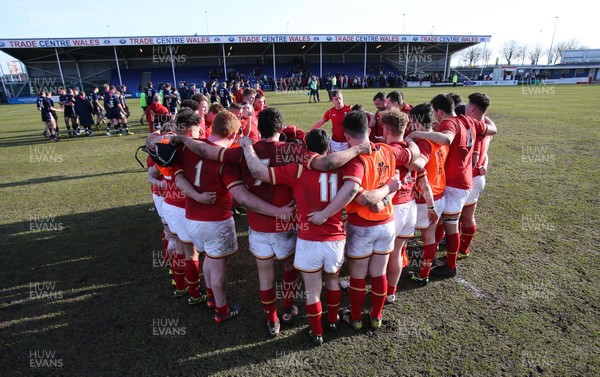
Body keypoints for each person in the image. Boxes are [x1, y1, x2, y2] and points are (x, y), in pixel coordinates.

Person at [239, 128, 365, 346]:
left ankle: (316, 332)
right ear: (328, 148)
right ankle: (333, 321)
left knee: (312, 291)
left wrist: (246, 146)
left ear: (306, 149)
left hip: (309, 238)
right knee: (333, 281)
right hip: (335, 236)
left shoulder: (297, 170)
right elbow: (352, 188)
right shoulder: (342, 167)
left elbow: (259, 172)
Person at [173, 111, 294, 323]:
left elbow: (178, 175)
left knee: (210, 257)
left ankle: (213, 298)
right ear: (233, 132)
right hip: (217, 220)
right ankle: (222, 309)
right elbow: (243, 198)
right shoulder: (290, 150)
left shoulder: (191, 147)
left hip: (190, 216)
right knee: (221, 263)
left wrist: (196, 196)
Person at [335, 111, 417, 331]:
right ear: (370, 131)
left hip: (363, 225)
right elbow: (413, 155)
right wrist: (389, 190)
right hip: (387, 222)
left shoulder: (353, 160)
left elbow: (363, 199)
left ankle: (355, 318)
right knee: (379, 272)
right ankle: (376, 316)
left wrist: (385, 192)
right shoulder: (388, 150)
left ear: (346, 136)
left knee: (358, 275)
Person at [408, 93, 496, 277]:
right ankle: (443, 261)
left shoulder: (450, 123)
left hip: (455, 184)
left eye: (436, 113)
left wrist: (416, 133)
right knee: (443, 224)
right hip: (464, 180)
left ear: (440, 111)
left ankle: (450, 266)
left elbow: (447, 138)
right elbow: (492, 129)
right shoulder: (468, 120)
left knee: (450, 225)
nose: (435, 117)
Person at [403, 104, 448, 285]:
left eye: (412, 121)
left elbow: (419, 165)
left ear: (417, 122)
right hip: (439, 195)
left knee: (401, 236)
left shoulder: (422, 143)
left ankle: (398, 267)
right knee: (429, 237)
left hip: (423, 198)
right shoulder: (438, 138)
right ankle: (424, 272)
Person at [458, 93, 494, 259]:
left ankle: (462, 249)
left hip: (471, 176)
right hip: (477, 175)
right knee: (463, 214)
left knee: (465, 215)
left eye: (467, 106)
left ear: (471, 108)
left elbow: (473, 157)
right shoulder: (486, 125)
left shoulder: (474, 127)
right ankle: (459, 245)